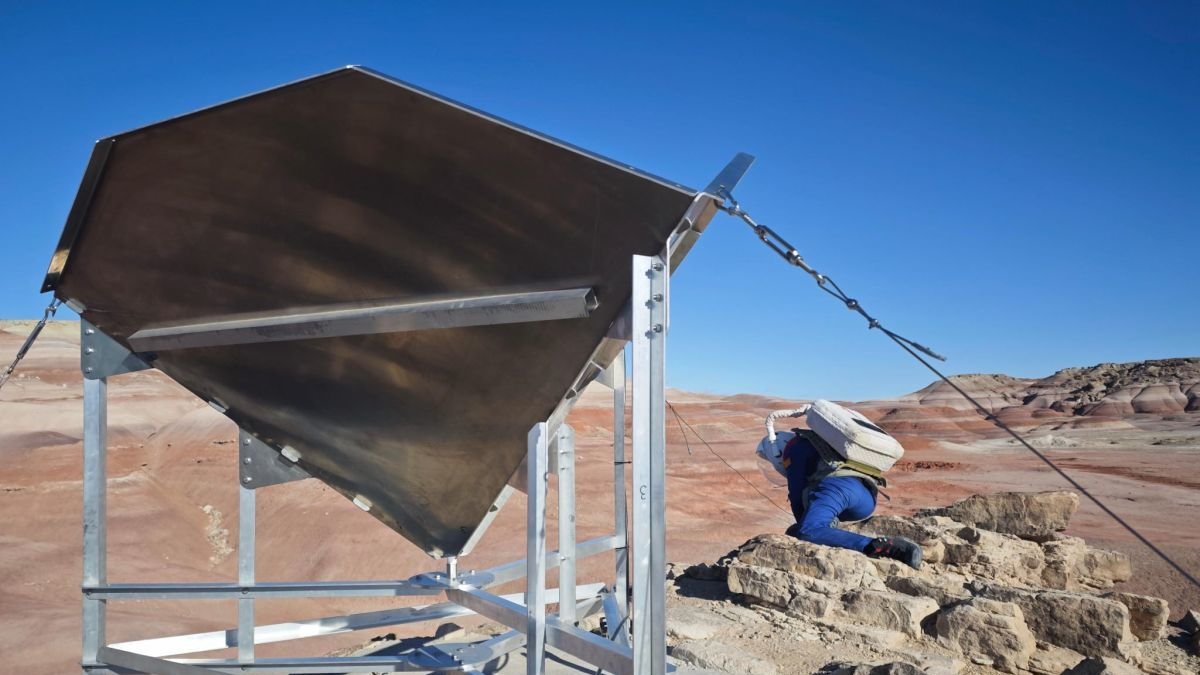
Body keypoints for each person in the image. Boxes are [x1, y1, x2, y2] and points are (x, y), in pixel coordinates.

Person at [780, 428, 922, 569]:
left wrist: (804, 526)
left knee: (807, 531)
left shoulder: (793, 447)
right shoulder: (817, 440)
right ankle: (828, 530)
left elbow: (796, 494)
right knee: (813, 526)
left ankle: (886, 547)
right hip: (866, 499)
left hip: (838, 487)